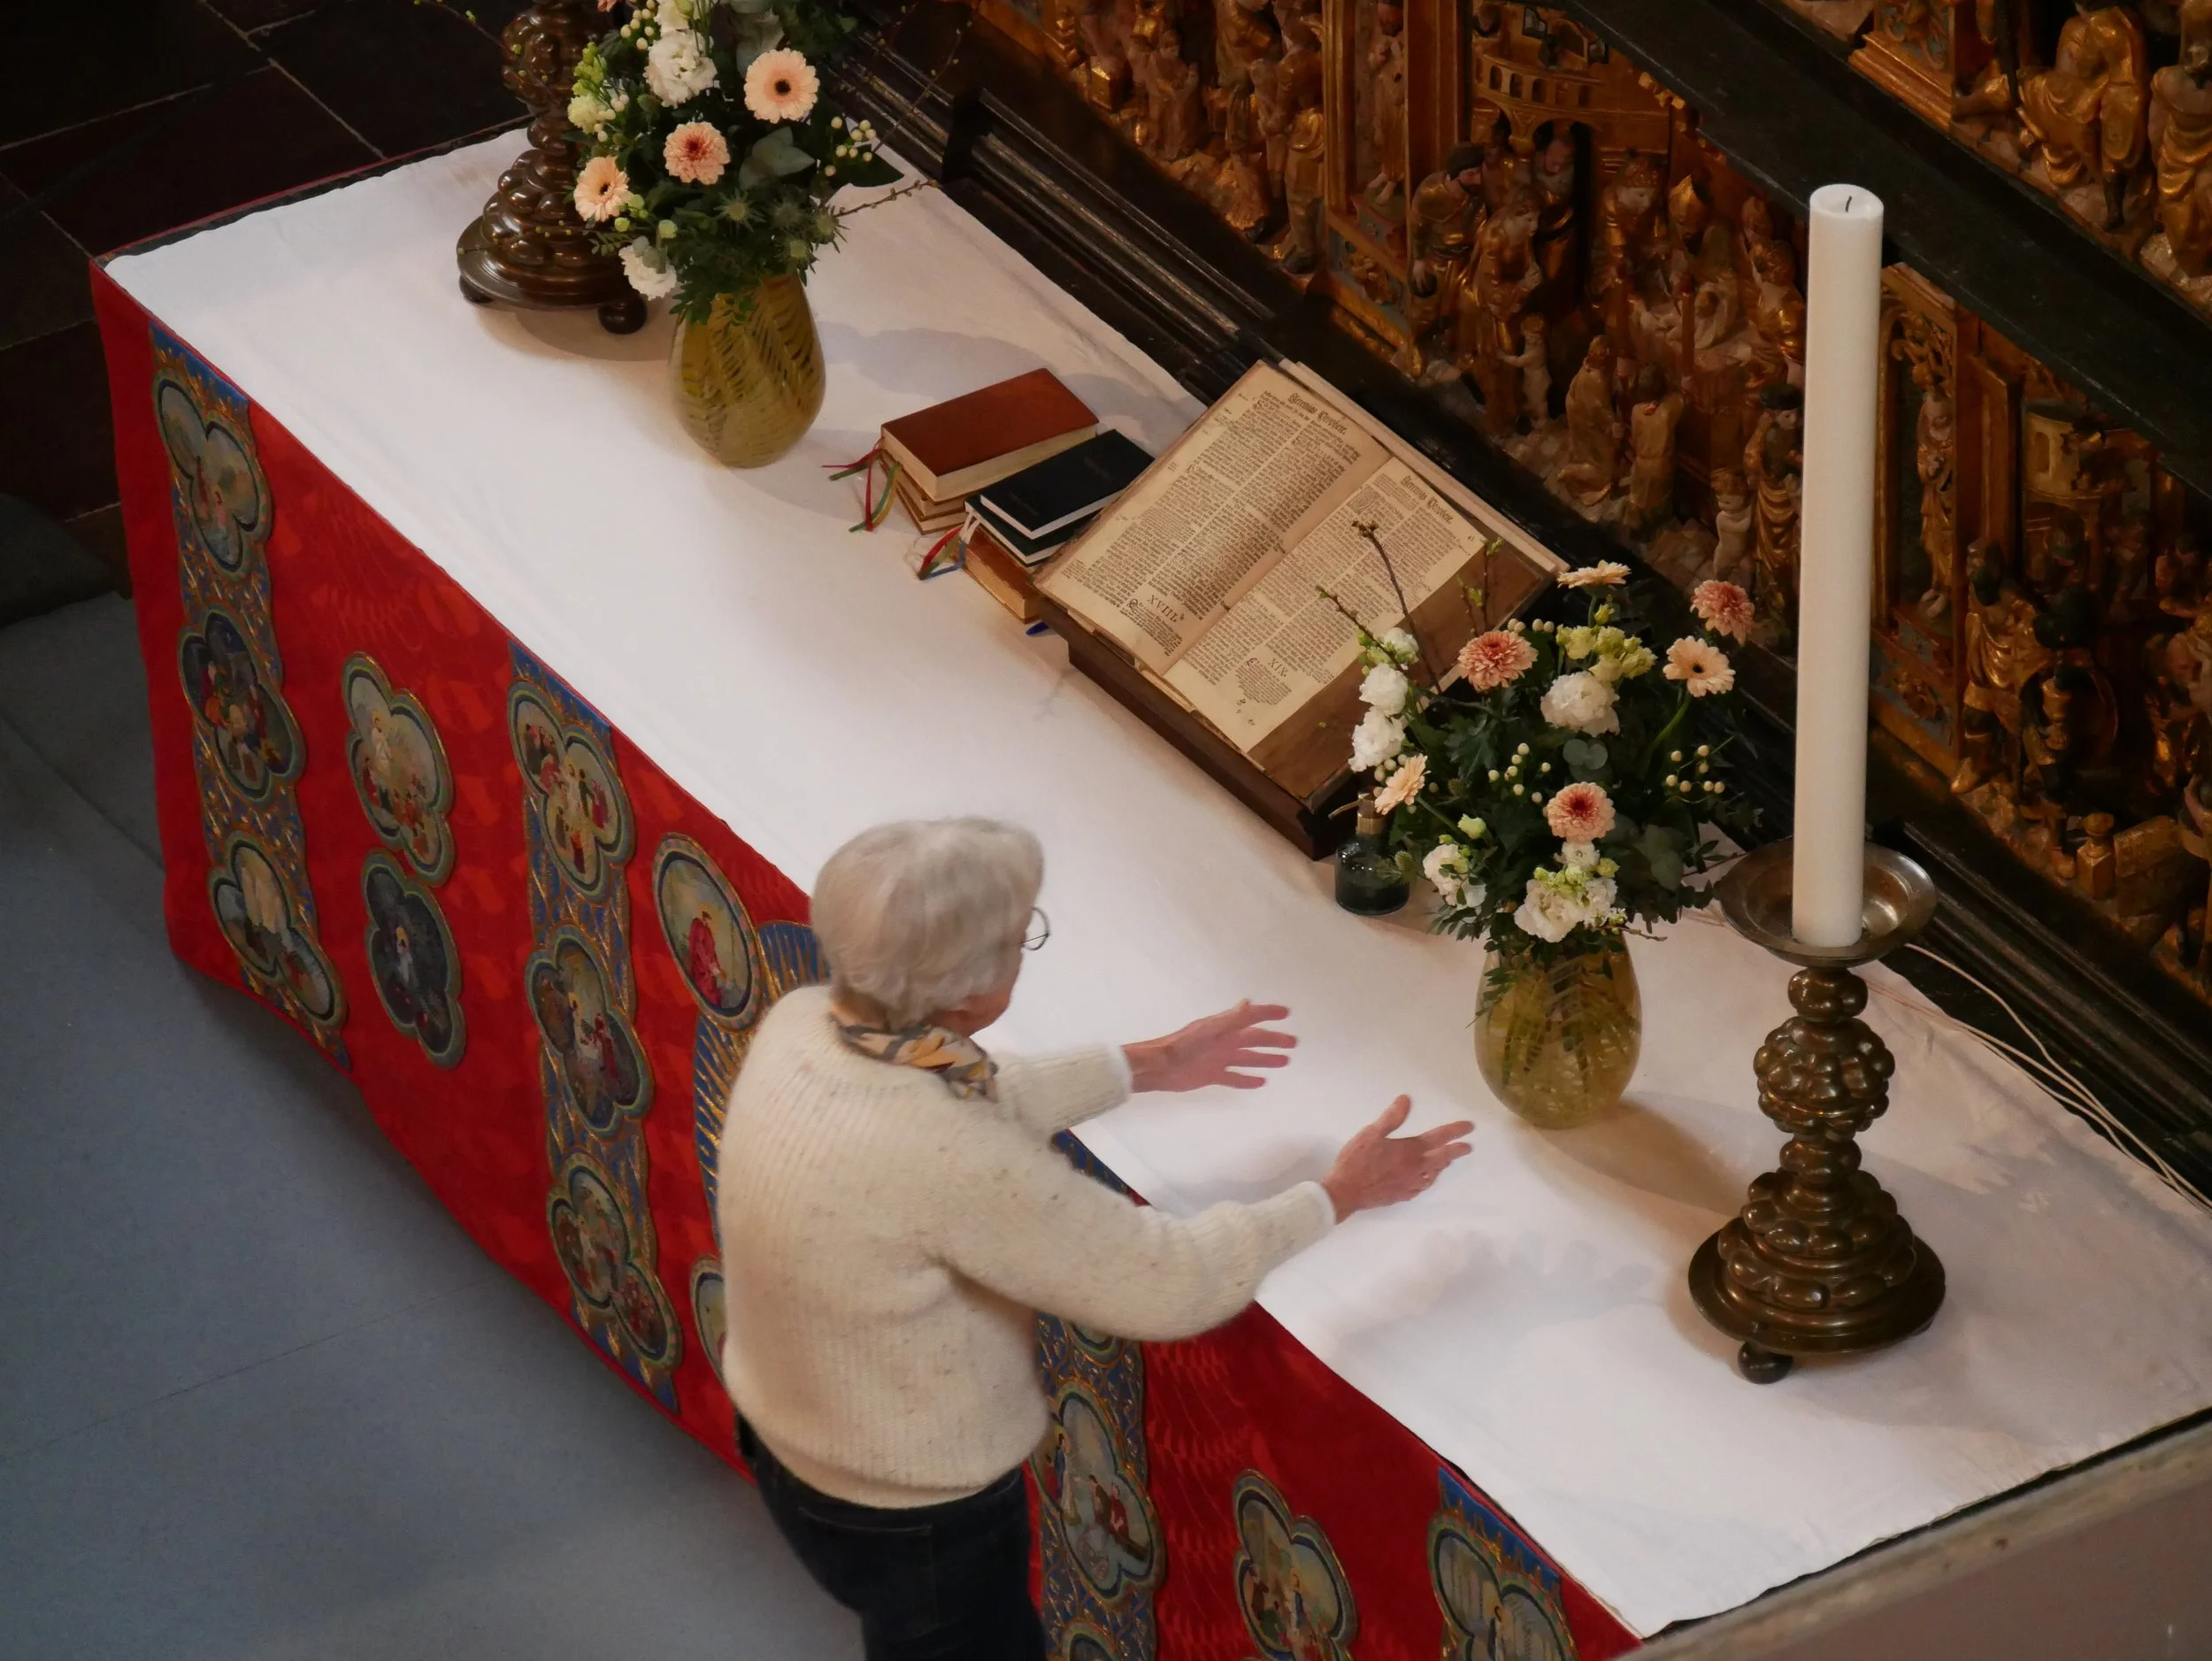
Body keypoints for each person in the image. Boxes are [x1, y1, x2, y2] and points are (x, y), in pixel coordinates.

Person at [716, 818, 1472, 1661]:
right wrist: (1339, 1192)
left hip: (786, 1431)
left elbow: (953, 1095)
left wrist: (1146, 1063)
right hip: (910, 1509)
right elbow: (1167, 1279)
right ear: (970, 991)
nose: (1025, 949)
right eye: (1019, 938)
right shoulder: (946, 1154)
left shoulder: (808, 1020)